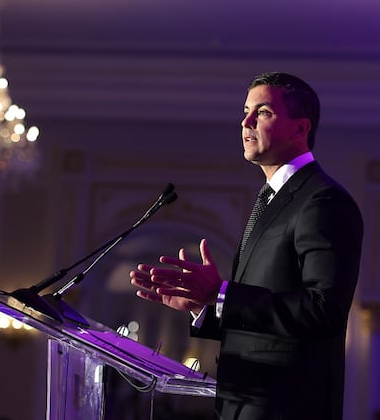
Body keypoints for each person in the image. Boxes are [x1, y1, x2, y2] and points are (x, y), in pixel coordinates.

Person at [130, 71, 363, 419]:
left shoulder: (323, 200)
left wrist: (221, 293)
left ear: (300, 129)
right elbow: (258, 317)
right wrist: (204, 306)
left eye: (263, 112)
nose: (246, 122)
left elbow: (323, 311)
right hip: (246, 403)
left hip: (287, 407)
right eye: (246, 111)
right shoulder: (271, 199)